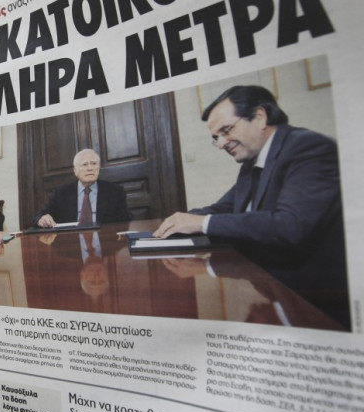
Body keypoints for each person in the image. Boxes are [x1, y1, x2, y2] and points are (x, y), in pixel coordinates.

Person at [153, 85, 348, 327]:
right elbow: (223, 209)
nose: (222, 143)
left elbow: (290, 226)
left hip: (314, 301)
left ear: (260, 116)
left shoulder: (309, 147)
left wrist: (201, 224)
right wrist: (180, 221)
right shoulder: (251, 162)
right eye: (216, 138)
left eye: (226, 130)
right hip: (270, 285)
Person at [32, 148, 132, 228]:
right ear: (75, 171)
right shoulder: (61, 194)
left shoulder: (114, 191)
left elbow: (126, 221)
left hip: (104, 243)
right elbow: (39, 216)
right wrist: (42, 219)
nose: (90, 168)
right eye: (84, 164)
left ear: (99, 167)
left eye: (94, 163)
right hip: (71, 244)